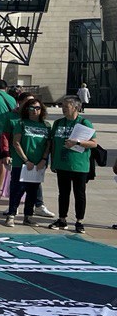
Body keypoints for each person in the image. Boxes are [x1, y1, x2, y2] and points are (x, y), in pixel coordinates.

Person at [49, 96, 98, 234]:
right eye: (62, 106)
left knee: (79, 193)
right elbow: (52, 143)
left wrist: (77, 142)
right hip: (62, 164)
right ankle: (62, 219)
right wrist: (52, 161)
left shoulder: (84, 123)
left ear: (76, 108)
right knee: (63, 193)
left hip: (79, 165)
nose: (63, 109)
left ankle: (79, 221)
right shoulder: (58, 123)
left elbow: (94, 143)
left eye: (66, 106)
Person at [6, 96, 50, 228]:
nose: (34, 111)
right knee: (17, 190)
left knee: (33, 190)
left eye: (37, 108)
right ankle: (11, 215)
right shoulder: (21, 123)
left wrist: (43, 160)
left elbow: (48, 145)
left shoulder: (46, 125)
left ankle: (28, 216)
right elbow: (16, 143)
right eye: (31, 108)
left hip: (38, 165)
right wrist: (26, 160)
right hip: (22, 164)